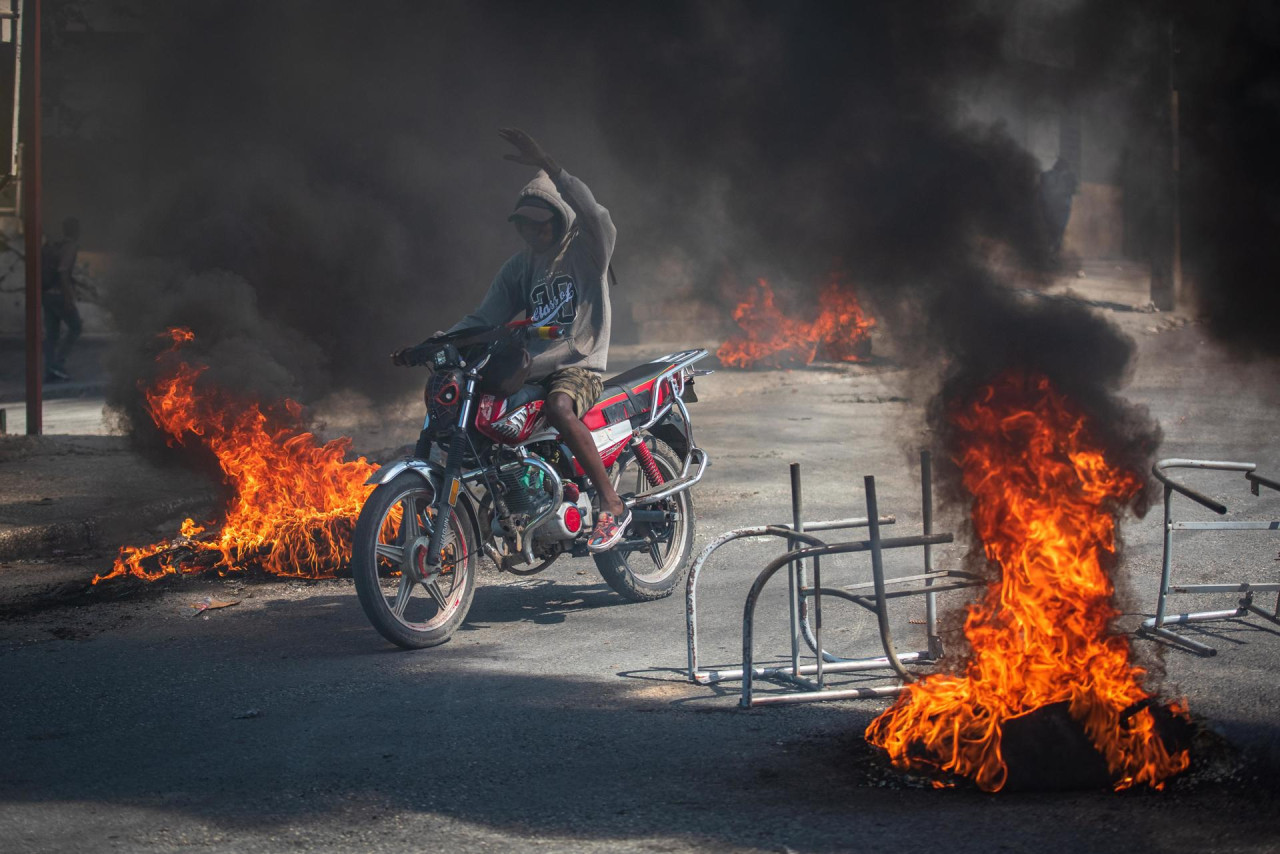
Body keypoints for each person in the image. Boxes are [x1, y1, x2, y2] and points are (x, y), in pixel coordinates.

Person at [444, 128, 629, 552]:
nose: (532, 232)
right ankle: (519, 500)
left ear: (559, 218)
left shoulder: (587, 250)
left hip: (577, 366)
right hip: (531, 367)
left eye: (540, 224)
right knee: (487, 414)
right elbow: (483, 317)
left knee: (559, 407)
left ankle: (611, 501)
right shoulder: (519, 267)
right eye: (525, 225)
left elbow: (594, 213)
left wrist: (550, 164)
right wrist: (440, 341)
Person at [41, 217, 83, 382]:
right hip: (58, 295)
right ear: (76, 231)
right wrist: (68, 298)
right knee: (76, 327)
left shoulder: (55, 246)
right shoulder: (69, 247)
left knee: (52, 334)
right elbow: (63, 274)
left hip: (46, 295)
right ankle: (57, 364)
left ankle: (50, 369)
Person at [1038, 157, 1078, 261]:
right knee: (1058, 233)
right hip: (1061, 209)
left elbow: (1039, 192)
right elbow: (1073, 191)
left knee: (1048, 232)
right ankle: (1052, 256)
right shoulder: (1069, 177)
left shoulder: (1045, 175)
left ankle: (1047, 255)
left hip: (1046, 208)